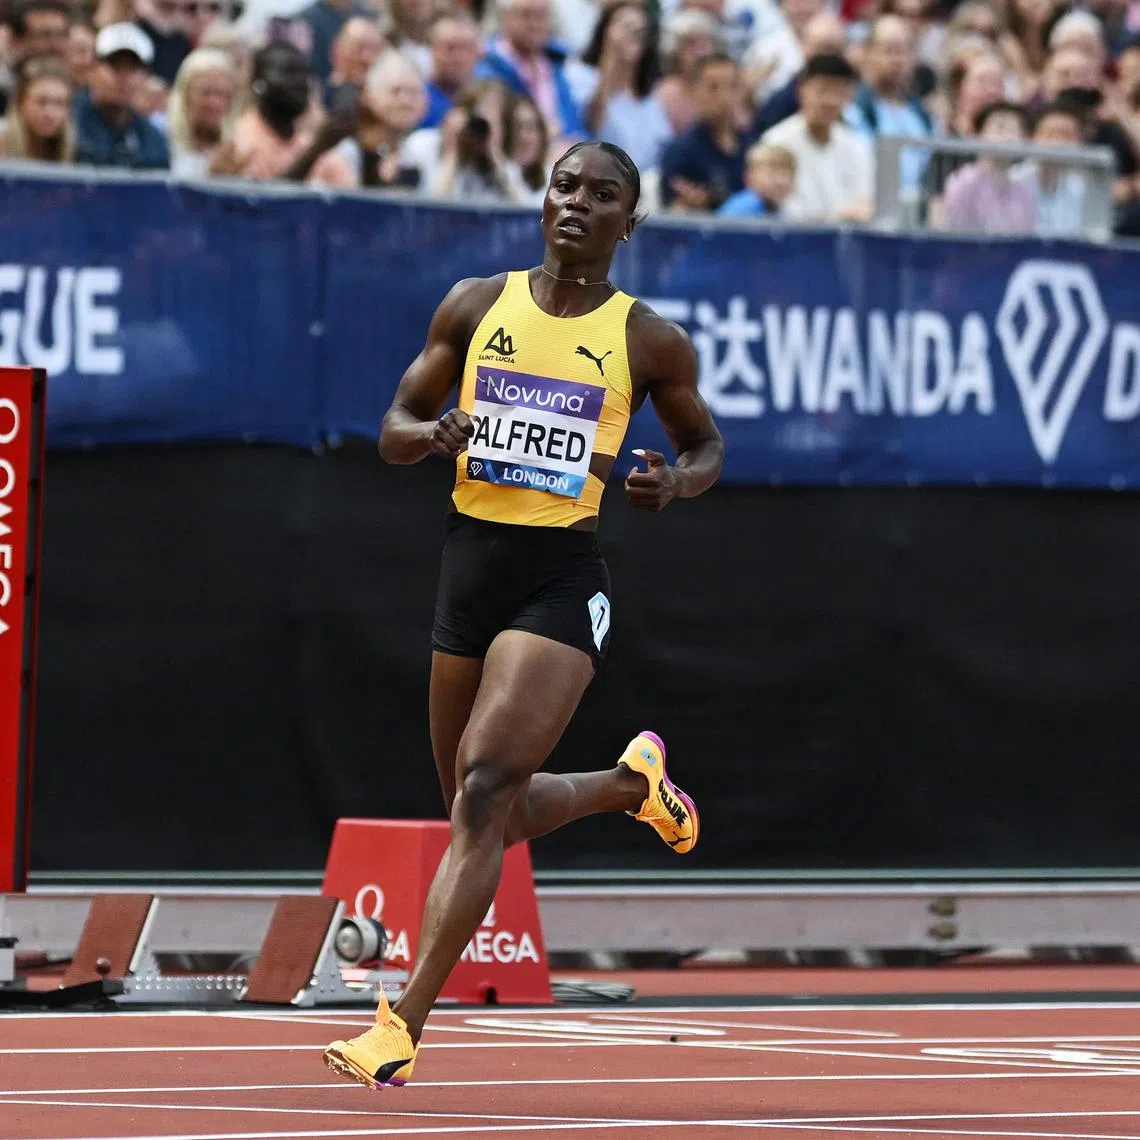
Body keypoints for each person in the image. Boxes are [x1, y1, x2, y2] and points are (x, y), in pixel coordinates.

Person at [322, 140, 723, 1090]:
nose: (576, 204)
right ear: (544, 201)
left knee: (485, 785)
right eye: (564, 186)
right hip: (470, 568)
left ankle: (400, 1024)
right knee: (483, 810)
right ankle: (632, 787)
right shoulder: (474, 303)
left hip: (559, 577)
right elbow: (390, 430)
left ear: (631, 222)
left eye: (602, 196)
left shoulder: (645, 339)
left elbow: (704, 444)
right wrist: (435, 434)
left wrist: (674, 482)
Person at [761, 52, 873, 222]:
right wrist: (837, 217)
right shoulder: (776, 142)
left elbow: (867, 202)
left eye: (838, 92)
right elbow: (781, 211)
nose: (829, 101)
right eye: (822, 91)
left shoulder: (856, 145)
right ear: (801, 91)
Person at [574, 1, 673, 177]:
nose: (634, 35)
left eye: (641, 31)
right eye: (626, 27)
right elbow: (592, 124)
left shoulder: (651, 97)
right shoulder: (582, 76)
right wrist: (611, 56)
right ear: (605, 31)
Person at [476, 0, 586, 144]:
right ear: (505, 18)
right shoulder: (485, 66)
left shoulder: (558, 62)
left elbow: (574, 124)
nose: (534, 24)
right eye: (526, 15)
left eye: (541, 16)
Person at [659, 52, 748, 210]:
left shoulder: (753, 145)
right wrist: (688, 208)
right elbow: (670, 217)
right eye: (713, 87)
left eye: (732, 86)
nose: (724, 97)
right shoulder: (681, 152)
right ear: (695, 92)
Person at [75, 22, 171, 168]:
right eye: (115, 66)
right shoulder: (67, 122)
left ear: (146, 77)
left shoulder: (152, 140)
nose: (123, 78)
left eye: (132, 68)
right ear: (92, 69)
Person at [212, 41, 311, 179]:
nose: (299, 84)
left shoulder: (305, 142)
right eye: (288, 75)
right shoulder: (241, 144)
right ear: (258, 84)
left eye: (303, 77)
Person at [942, 100, 1037, 234]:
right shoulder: (963, 182)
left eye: (1015, 130)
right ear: (979, 135)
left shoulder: (1023, 191)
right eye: (1000, 127)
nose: (1008, 136)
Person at [1012, 101, 1089, 237]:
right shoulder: (1013, 180)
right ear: (1033, 138)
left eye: (1066, 135)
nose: (1057, 143)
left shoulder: (1083, 189)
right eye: (1050, 134)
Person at [167, 46, 236, 177]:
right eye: (206, 93)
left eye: (222, 94)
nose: (215, 103)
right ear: (185, 95)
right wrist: (210, 172)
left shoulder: (235, 146)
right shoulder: (161, 136)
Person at [0, 55, 74, 160]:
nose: (50, 113)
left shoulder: (73, 151)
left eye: (59, 103)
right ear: (21, 102)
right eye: (41, 102)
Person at [420, 11, 481, 128]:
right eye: (450, 48)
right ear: (430, 49)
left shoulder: (490, 101)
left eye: (467, 47)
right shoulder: (418, 102)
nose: (459, 57)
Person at [324, 15, 386, 113]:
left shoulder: (389, 98)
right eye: (359, 47)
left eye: (375, 49)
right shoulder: (323, 99)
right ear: (337, 51)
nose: (367, 58)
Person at [717, 139, 795, 215]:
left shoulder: (782, 209)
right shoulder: (742, 210)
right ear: (750, 176)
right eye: (773, 173)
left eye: (788, 174)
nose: (782, 181)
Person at [503, 91, 550, 203]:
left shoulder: (553, 177)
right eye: (517, 128)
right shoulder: (497, 174)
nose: (524, 137)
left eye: (531, 128)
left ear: (541, 136)